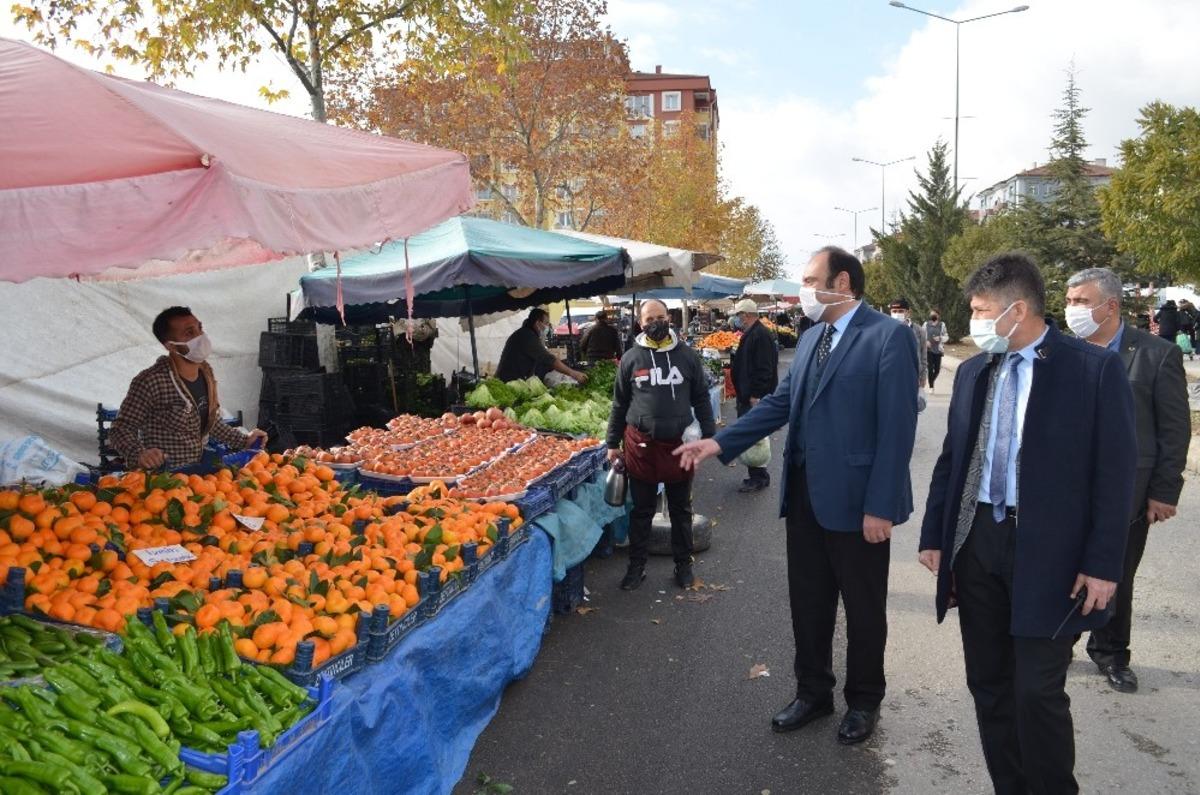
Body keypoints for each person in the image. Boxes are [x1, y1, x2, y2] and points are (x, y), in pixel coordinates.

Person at [675, 246, 920, 745]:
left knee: (863, 608)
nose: (804, 289)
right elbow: (782, 403)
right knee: (808, 603)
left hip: (857, 501)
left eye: (811, 280)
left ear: (843, 283)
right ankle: (813, 693)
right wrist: (720, 442)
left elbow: (897, 430)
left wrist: (880, 505)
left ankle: (864, 701)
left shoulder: (887, 336)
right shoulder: (811, 338)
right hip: (805, 495)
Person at [918, 253, 1136, 794]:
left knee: (1037, 691)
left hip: (1051, 554)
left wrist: (1103, 564)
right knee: (989, 684)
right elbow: (953, 459)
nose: (974, 321)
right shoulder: (975, 371)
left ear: (1016, 310)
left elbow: (1115, 475)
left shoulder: (1091, 370)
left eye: (980, 310)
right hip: (978, 545)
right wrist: (935, 536)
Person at [1065, 268, 1191, 693]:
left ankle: (1112, 653)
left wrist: (1164, 491)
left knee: (1116, 570)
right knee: (1062, 564)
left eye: (1081, 302)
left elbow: (1174, 429)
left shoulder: (1156, 354)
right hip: (1068, 485)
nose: (1072, 309)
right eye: (1069, 301)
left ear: (1111, 306)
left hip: (1129, 490)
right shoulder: (1061, 351)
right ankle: (1059, 642)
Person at [607, 299, 716, 591]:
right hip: (641, 446)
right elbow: (619, 404)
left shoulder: (687, 356)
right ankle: (636, 567)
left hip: (680, 447)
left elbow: (701, 398)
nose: (655, 323)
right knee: (642, 511)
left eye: (660, 317)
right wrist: (612, 442)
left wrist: (709, 435)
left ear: (668, 318)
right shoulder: (631, 358)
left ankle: (684, 566)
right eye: (649, 319)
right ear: (640, 323)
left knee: (681, 509)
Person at [110, 306, 267, 470]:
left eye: (200, 328)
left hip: (201, 474)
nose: (200, 336)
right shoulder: (151, 381)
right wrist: (139, 454)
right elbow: (120, 428)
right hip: (164, 478)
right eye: (189, 333)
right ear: (170, 346)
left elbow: (211, 422)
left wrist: (244, 440)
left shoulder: (206, 372)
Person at [728, 299, 779, 493]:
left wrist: (756, 394)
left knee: (755, 437)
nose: (737, 319)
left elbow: (764, 369)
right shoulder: (753, 333)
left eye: (739, 315)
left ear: (746, 315)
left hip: (755, 397)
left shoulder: (760, 335)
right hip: (748, 395)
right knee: (753, 437)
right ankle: (757, 474)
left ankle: (758, 477)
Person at [495, 307, 587, 384]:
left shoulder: (527, 333)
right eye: (546, 323)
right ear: (538, 323)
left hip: (513, 380)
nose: (548, 327)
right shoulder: (527, 336)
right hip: (509, 382)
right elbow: (548, 358)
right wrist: (573, 373)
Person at [889, 299, 928, 389]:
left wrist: (923, 377)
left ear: (908, 312)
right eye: (894, 311)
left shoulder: (919, 330)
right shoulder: (885, 329)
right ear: (890, 312)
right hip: (891, 376)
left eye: (901, 311)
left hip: (912, 376)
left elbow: (923, 355)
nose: (897, 314)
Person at [924, 309, 948, 392]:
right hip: (929, 350)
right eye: (931, 314)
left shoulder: (942, 325)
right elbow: (922, 335)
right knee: (930, 369)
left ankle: (931, 380)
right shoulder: (926, 324)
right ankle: (931, 386)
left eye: (934, 314)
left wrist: (940, 338)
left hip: (938, 350)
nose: (933, 316)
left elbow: (946, 336)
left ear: (938, 316)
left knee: (937, 370)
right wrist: (925, 341)